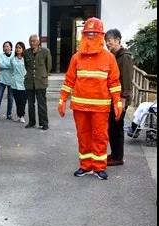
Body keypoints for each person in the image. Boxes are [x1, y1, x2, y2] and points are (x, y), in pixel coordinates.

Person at [58, 17, 122, 180]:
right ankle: (85, 166)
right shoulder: (76, 58)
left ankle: (99, 167)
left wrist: (117, 102)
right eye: (88, 33)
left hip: (100, 108)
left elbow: (114, 82)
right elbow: (69, 80)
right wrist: (62, 99)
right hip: (80, 107)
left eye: (94, 33)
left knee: (100, 136)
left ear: (101, 35)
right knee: (83, 136)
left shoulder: (109, 58)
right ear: (83, 35)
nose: (91, 36)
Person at [104, 29, 134, 166]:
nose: (108, 44)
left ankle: (118, 157)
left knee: (117, 127)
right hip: (113, 98)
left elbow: (126, 80)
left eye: (109, 41)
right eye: (106, 42)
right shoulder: (114, 56)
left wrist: (122, 102)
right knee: (112, 127)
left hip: (120, 100)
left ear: (117, 40)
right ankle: (115, 154)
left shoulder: (125, 57)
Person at [24, 34, 52, 130]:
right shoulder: (26, 52)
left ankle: (44, 123)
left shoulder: (45, 51)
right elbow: (26, 66)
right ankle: (32, 122)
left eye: (34, 41)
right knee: (30, 104)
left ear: (38, 42)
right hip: (30, 82)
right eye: (31, 41)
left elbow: (49, 66)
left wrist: (43, 74)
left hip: (41, 81)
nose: (32, 43)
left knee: (42, 104)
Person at [0, 41, 13, 121]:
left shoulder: (14, 55)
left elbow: (13, 65)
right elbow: (0, 65)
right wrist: (9, 65)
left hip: (11, 80)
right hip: (2, 80)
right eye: (4, 46)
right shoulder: (1, 55)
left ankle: (9, 114)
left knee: (10, 98)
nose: (6, 48)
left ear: (11, 47)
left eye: (7, 46)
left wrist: (5, 65)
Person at [10, 41, 27, 123]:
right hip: (15, 83)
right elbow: (11, 70)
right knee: (17, 101)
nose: (18, 49)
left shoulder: (26, 59)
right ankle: (19, 115)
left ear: (23, 49)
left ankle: (22, 115)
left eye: (19, 47)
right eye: (16, 47)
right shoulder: (12, 59)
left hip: (24, 82)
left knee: (23, 101)